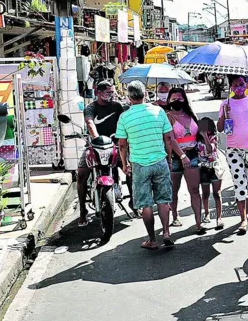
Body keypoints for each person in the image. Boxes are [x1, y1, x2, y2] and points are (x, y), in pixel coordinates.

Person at [116, 81, 185, 250]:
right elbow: (168, 138)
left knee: (146, 204)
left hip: (139, 164)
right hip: (160, 161)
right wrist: (169, 159)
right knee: (163, 200)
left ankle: (152, 240)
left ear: (129, 97)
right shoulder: (158, 111)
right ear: (145, 94)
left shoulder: (125, 117)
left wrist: (125, 164)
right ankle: (167, 233)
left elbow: (122, 144)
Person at [77, 80, 125, 226]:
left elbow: (123, 122)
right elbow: (90, 123)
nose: (111, 95)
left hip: (114, 145)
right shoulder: (91, 107)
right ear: (99, 93)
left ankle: (135, 203)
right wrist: (96, 139)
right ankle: (82, 210)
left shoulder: (117, 106)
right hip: (94, 145)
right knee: (81, 174)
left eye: (112, 92)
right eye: (107, 93)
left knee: (130, 168)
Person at [218, 75, 248, 235]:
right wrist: (225, 114)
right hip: (234, 149)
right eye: (235, 85)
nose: (239, 87)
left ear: (246, 85)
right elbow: (222, 129)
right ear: (231, 87)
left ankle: (247, 213)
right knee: (239, 183)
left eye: (241, 84)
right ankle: (242, 219)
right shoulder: (225, 104)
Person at [165, 87, 205, 233]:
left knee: (195, 190)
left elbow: (202, 130)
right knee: (173, 190)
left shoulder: (191, 114)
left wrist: (208, 142)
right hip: (175, 158)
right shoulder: (167, 117)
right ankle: (175, 216)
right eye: (174, 98)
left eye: (180, 98)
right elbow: (170, 139)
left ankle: (198, 222)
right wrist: (182, 156)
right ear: (169, 100)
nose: (177, 101)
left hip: (193, 155)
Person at [197, 117, 224, 230]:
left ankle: (219, 217)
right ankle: (207, 213)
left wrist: (205, 137)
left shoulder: (214, 137)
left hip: (214, 168)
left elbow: (209, 149)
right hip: (203, 168)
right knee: (205, 193)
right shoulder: (196, 139)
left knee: (217, 194)